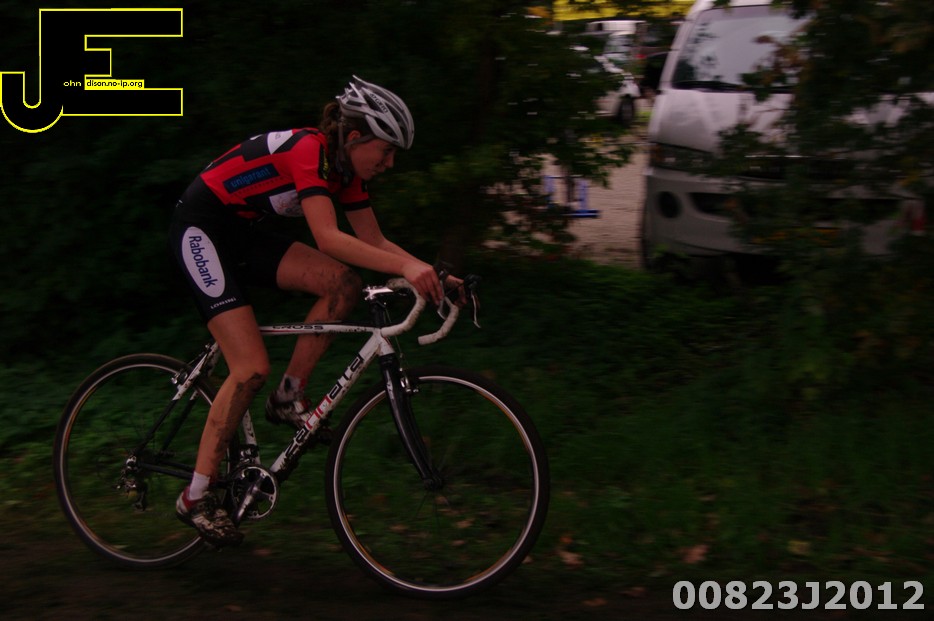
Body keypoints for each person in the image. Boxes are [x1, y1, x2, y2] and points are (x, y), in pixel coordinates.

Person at [168, 76, 457, 546]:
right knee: (249, 368)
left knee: (344, 285)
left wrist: (434, 276)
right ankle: (195, 498)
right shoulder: (310, 150)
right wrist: (408, 267)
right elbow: (328, 238)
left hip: (242, 235)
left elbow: (373, 241)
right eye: (386, 151)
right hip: (201, 231)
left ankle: (288, 397)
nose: (389, 163)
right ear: (355, 136)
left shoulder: (345, 171)